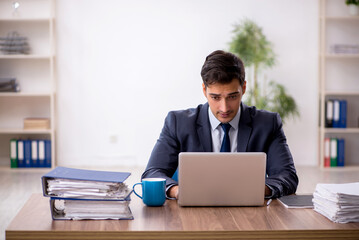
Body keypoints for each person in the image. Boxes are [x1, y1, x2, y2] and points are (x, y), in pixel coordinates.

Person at [142, 50, 298, 199]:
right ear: (204, 90)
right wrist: (179, 192)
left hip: (249, 212)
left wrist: (253, 191)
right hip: (194, 214)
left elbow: (287, 176)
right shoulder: (178, 122)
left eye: (232, 96)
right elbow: (152, 173)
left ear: (243, 88)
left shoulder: (267, 124)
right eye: (215, 97)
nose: (224, 108)